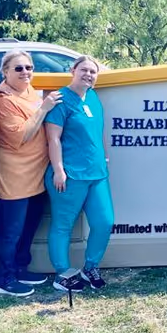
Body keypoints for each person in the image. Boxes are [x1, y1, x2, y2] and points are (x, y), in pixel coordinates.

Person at [0, 51, 61, 297]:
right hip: (13, 175)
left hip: (37, 174)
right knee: (11, 230)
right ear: (5, 72)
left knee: (29, 226)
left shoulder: (31, 92)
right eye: (18, 68)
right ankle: (4, 277)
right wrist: (44, 108)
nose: (25, 73)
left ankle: (20, 267)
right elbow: (20, 135)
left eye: (29, 67)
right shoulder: (4, 100)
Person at [45, 55, 114, 292]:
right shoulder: (61, 100)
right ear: (73, 70)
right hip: (70, 175)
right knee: (63, 225)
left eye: (93, 72)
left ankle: (90, 267)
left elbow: (96, 132)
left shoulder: (93, 97)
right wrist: (58, 170)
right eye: (83, 70)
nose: (88, 75)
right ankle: (62, 273)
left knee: (104, 222)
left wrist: (103, 157)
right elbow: (53, 138)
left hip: (97, 175)